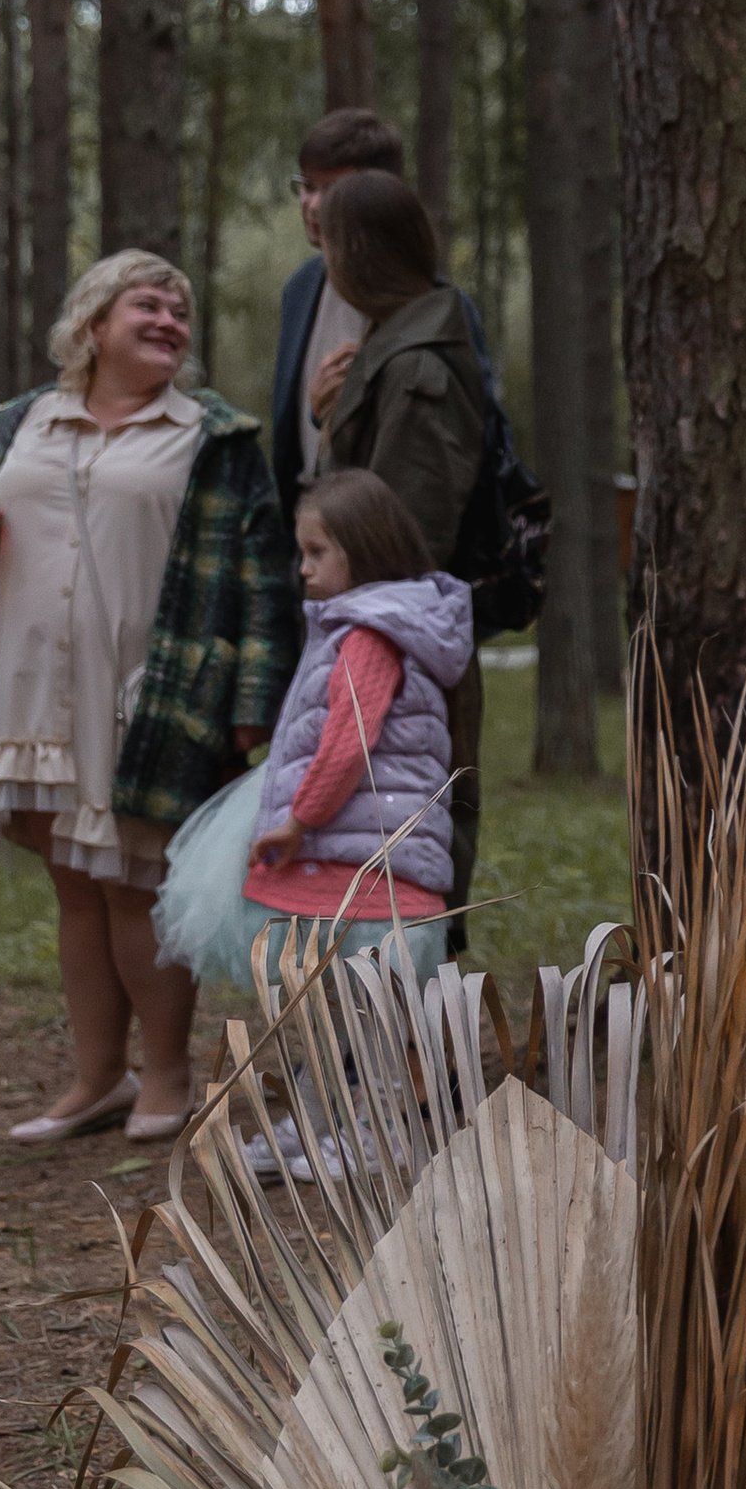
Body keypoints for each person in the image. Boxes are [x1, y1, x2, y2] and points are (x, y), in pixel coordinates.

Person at [0, 250, 301, 1143]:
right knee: (74, 885)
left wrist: (252, 703)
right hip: (29, 686)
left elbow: (264, 580)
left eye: (180, 312)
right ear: (94, 323)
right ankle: (99, 1077)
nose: (170, 322)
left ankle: (167, 1076)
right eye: (150, 305)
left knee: (136, 883)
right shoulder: (18, 421)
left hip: (152, 693)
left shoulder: (214, 436)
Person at [151, 468, 470, 999]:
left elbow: (347, 745)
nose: (303, 568)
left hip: (359, 873)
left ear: (363, 548)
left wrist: (300, 821)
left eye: (317, 552)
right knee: (362, 1022)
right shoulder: (383, 628)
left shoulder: (369, 637)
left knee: (356, 1014)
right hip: (377, 864)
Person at [313, 170, 490, 942]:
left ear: (356, 253)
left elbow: (404, 538)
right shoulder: (396, 346)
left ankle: (412, 1019)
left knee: (406, 872)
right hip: (383, 647)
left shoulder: (418, 367)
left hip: (399, 657)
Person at [270, 106, 403, 530]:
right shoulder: (301, 288)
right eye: (307, 187)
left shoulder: (426, 300)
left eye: (331, 190)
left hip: (389, 535)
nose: (312, 204)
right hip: (310, 535)